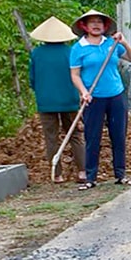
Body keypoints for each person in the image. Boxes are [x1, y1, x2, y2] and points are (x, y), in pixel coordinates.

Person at [69, 9, 131, 189]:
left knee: (118, 135)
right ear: (84, 26)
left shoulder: (111, 44)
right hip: (93, 98)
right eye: (92, 22)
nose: (96, 25)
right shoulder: (78, 48)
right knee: (92, 137)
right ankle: (90, 177)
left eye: (99, 22)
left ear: (105, 25)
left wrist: (124, 42)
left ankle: (120, 174)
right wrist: (83, 92)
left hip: (116, 95)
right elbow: (75, 75)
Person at [27, 17, 82, 178]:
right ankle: (83, 171)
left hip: (46, 102)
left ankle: (56, 175)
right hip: (69, 101)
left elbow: (32, 79)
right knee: (76, 136)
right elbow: (79, 75)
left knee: (51, 138)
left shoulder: (37, 54)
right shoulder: (71, 52)